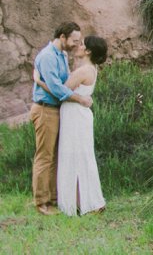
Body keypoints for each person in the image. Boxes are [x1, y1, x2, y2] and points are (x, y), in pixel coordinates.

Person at [35, 36, 108, 216]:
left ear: (88, 51)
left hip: (75, 115)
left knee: (74, 156)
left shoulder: (83, 70)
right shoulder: (90, 68)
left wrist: (38, 81)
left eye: (82, 44)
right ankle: (82, 200)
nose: (79, 46)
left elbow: (60, 90)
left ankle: (84, 202)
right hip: (77, 115)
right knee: (79, 156)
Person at [30, 22, 93, 215]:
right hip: (45, 110)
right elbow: (58, 88)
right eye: (74, 41)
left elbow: (65, 82)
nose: (76, 44)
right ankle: (42, 202)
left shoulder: (62, 55)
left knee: (56, 155)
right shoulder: (48, 56)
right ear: (62, 37)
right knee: (45, 156)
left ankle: (54, 198)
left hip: (57, 110)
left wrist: (40, 81)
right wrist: (80, 98)